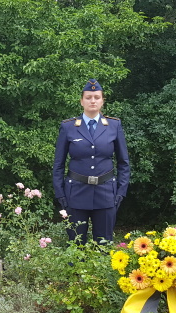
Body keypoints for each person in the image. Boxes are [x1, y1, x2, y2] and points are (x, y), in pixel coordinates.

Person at [52, 79, 130, 245]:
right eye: (88, 97)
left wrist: (120, 193)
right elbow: (58, 164)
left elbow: (124, 163)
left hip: (106, 193)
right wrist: (61, 195)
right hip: (75, 194)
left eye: (96, 97)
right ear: (82, 101)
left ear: (102, 101)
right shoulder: (69, 127)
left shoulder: (114, 125)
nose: (92, 101)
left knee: (104, 245)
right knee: (76, 245)